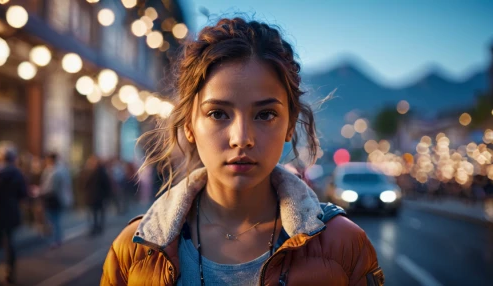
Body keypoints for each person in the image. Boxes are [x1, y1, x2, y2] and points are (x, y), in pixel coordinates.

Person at [101, 17, 384, 285]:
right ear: (189, 125)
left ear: (290, 125)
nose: (242, 138)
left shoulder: (344, 247)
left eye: (265, 115)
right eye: (217, 114)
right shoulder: (134, 252)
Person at [0, 143, 28, 284]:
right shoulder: (17, 173)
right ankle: (9, 273)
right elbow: (23, 194)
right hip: (12, 212)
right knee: (10, 243)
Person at [39, 153, 72, 248]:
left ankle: (56, 240)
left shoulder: (54, 171)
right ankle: (57, 239)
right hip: (57, 198)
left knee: (53, 220)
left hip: (53, 199)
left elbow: (50, 187)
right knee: (56, 220)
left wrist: (39, 191)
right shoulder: (60, 170)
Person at [82, 155, 112, 236]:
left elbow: (106, 184)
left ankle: (99, 227)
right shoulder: (87, 172)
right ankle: (94, 227)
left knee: (99, 212)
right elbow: (83, 183)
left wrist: (106, 196)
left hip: (99, 196)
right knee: (92, 213)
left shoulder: (101, 172)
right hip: (91, 196)